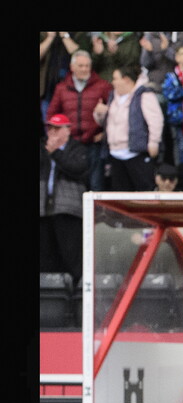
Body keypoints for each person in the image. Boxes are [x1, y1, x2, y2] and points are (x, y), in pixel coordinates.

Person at [46, 50, 113, 192]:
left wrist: (105, 134)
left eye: (87, 66)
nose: (84, 69)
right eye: (81, 65)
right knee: (72, 186)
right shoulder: (61, 88)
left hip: (94, 143)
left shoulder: (103, 86)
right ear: (72, 67)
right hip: (71, 145)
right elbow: (51, 115)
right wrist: (57, 137)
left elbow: (115, 113)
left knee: (96, 184)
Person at [93, 65, 164, 191]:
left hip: (136, 153)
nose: (112, 82)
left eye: (115, 78)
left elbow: (156, 121)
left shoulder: (144, 95)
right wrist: (100, 113)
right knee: (120, 194)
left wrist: (153, 143)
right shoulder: (112, 97)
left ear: (126, 80)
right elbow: (105, 123)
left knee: (144, 192)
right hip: (115, 154)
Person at [40, 114, 89, 284]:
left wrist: (56, 153)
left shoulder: (77, 149)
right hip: (43, 209)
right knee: (46, 254)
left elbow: (78, 169)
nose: (51, 132)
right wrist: (48, 151)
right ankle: (50, 293)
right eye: (50, 128)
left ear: (67, 130)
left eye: (56, 128)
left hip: (68, 209)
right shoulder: (41, 147)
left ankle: (76, 294)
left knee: (71, 254)